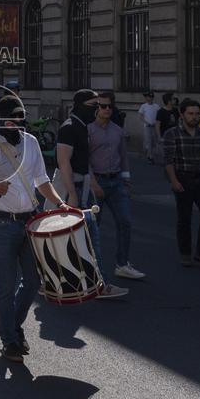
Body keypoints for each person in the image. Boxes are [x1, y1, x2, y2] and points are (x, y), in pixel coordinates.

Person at [0, 95, 71, 362]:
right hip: (1, 223)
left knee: (33, 281)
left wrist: (59, 203)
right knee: (6, 285)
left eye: (20, 120)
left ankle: (14, 327)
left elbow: (42, 179)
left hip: (30, 220)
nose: (16, 125)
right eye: (11, 120)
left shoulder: (32, 142)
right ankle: (9, 340)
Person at [57, 89, 128, 298]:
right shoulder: (69, 127)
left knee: (86, 238)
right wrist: (72, 194)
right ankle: (96, 285)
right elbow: (63, 162)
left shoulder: (81, 127)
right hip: (75, 188)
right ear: (80, 105)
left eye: (100, 106)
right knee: (83, 238)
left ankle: (91, 283)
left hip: (84, 187)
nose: (98, 109)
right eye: (93, 105)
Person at [88, 93, 145, 280]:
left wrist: (127, 181)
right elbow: (84, 159)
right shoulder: (89, 130)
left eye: (109, 107)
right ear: (96, 108)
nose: (107, 110)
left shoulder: (117, 130)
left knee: (125, 222)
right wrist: (93, 183)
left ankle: (122, 264)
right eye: (103, 106)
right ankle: (91, 267)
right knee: (93, 227)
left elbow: (124, 157)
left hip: (117, 181)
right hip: (97, 181)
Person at [164, 98, 200, 268]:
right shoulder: (172, 134)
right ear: (182, 114)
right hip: (183, 178)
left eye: (197, 113)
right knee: (184, 218)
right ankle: (185, 253)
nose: (194, 117)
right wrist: (173, 180)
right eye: (190, 113)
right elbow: (168, 160)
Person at [137, 91, 160, 164]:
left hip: (154, 126)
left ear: (152, 97)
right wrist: (146, 122)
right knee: (148, 141)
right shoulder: (144, 106)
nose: (147, 98)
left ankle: (150, 153)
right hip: (147, 126)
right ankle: (150, 156)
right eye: (146, 97)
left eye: (149, 97)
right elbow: (140, 116)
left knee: (154, 141)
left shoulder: (156, 106)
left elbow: (159, 116)